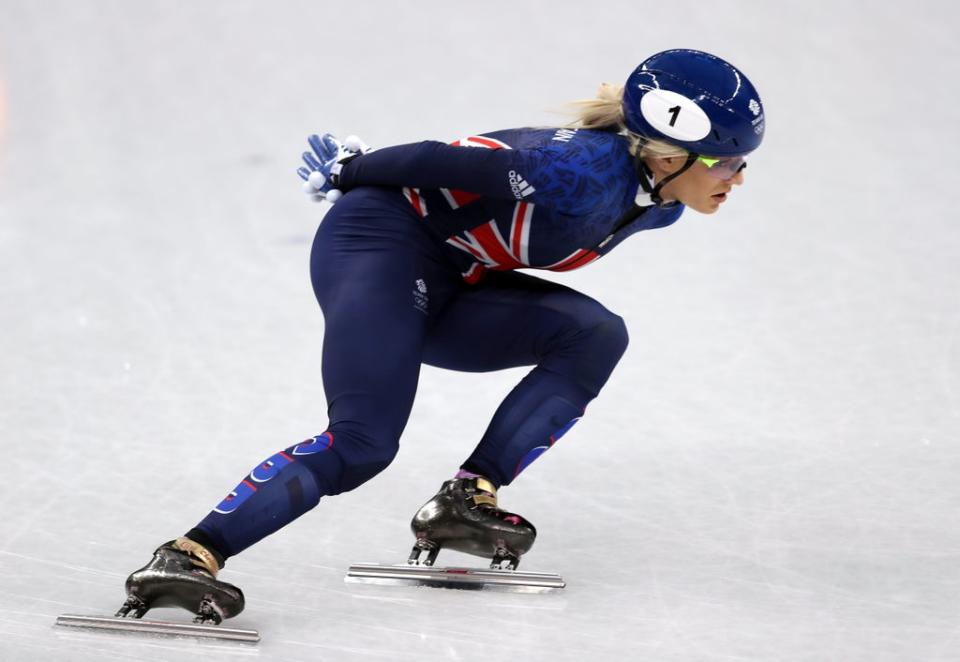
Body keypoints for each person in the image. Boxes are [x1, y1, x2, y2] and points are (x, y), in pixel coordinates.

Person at [117, 48, 765, 624]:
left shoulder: (663, 205)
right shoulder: (583, 172)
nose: (737, 178)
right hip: (378, 246)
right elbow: (449, 162)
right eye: (729, 162)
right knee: (365, 443)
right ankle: (191, 553)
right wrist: (352, 170)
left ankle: (466, 498)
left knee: (595, 336)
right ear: (671, 152)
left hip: (452, 275)